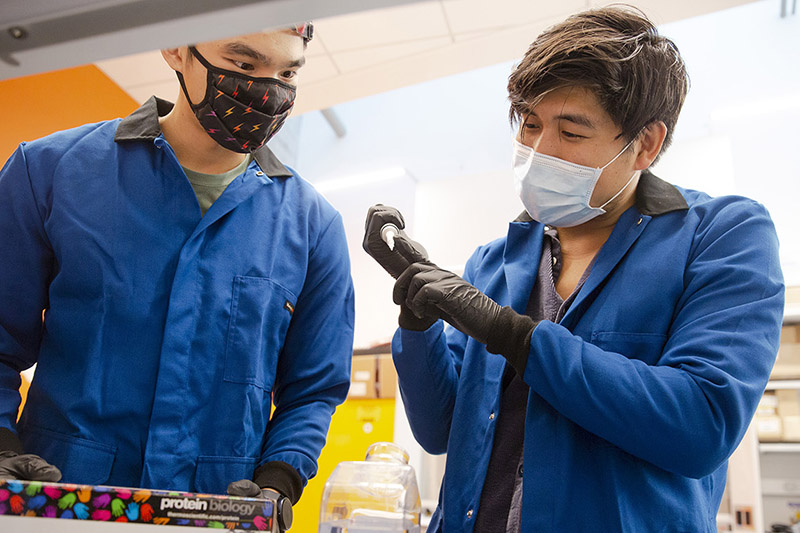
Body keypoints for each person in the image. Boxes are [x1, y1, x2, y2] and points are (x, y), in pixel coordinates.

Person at [363, 6, 784, 532]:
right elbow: (441, 429)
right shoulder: (494, 261)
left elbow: (701, 424)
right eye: (530, 125)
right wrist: (418, 317)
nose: (539, 152)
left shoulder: (719, 236)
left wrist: (512, 335)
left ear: (645, 145)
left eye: (571, 132)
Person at [0, 22, 355, 510]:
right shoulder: (48, 174)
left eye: (287, 72)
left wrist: (280, 478)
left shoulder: (314, 228)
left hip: (217, 510)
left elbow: (313, 390)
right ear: (175, 46)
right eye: (243, 64)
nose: (267, 91)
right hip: (65, 500)